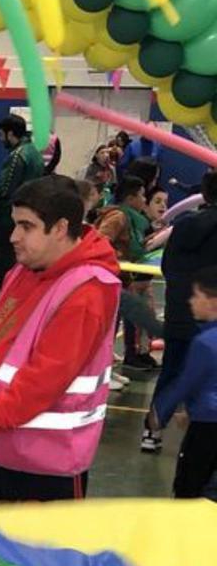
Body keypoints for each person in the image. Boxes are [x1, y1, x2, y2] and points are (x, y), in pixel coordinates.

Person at [0, 176, 120, 566]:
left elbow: (48, 375)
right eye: (14, 224)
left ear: (61, 228)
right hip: (0, 449)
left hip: (47, 464)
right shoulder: (24, 272)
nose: (13, 236)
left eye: (26, 226)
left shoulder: (88, 290)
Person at [145, 170, 217, 453]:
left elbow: (167, 266)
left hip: (179, 309)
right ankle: (198, 441)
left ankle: (151, 433)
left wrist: (181, 293)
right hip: (211, 317)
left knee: (171, 372)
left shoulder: (184, 225)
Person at [150, 266, 217, 499]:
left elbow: (185, 382)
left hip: (207, 426)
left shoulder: (205, 342)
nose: (191, 301)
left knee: (189, 486)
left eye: (196, 295)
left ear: (212, 301)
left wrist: (160, 412)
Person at [95, 175, 162, 371]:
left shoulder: (134, 220)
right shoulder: (119, 217)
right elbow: (101, 241)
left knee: (116, 321)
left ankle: (110, 366)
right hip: (111, 276)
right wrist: (118, 261)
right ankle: (102, 369)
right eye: (141, 196)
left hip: (121, 277)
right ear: (131, 197)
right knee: (108, 325)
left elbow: (129, 246)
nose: (144, 200)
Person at [0, 114, 44, 285]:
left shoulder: (17, 156)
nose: (0, 139)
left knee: (5, 270)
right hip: (29, 216)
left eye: (1, 135)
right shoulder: (34, 151)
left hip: (9, 218)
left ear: (10, 134)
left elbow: (4, 190)